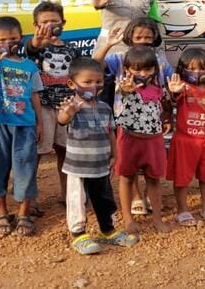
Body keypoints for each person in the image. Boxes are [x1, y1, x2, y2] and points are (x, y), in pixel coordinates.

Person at [57, 57, 138, 255]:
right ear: (71, 83)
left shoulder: (104, 107)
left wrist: (114, 154)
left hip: (101, 163)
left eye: (98, 82)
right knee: (77, 199)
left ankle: (108, 230)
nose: (94, 86)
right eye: (87, 82)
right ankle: (79, 234)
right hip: (78, 166)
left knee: (105, 198)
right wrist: (68, 113)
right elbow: (61, 120)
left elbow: (111, 132)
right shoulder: (71, 106)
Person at [93, 16, 173, 215]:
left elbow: (168, 88)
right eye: (139, 36)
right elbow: (96, 65)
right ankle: (136, 196)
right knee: (129, 165)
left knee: (152, 163)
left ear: (155, 38)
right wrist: (108, 45)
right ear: (130, 37)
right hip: (126, 121)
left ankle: (149, 196)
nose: (143, 40)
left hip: (152, 123)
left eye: (148, 37)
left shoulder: (160, 61)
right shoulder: (120, 58)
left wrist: (167, 114)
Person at [0, 16, 43, 237]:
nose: (9, 43)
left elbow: (35, 95)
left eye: (14, 38)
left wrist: (38, 122)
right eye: (2, 39)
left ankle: (24, 213)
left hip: (25, 124)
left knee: (25, 167)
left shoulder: (29, 66)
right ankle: (1, 212)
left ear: (21, 38)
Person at [25, 1, 80, 215]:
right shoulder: (36, 47)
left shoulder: (72, 50)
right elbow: (30, 49)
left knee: (65, 152)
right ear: (35, 25)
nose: (49, 26)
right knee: (37, 152)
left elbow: (79, 76)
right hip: (44, 107)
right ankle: (30, 198)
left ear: (63, 23)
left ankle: (68, 196)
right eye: (44, 22)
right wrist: (37, 41)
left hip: (66, 107)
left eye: (54, 22)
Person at [114, 46, 173, 234]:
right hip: (129, 139)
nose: (142, 73)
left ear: (155, 69)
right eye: (137, 69)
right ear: (127, 70)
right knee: (126, 178)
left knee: (154, 179)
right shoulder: (123, 86)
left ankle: (157, 219)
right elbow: (122, 92)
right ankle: (128, 220)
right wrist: (126, 90)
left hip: (153, 140)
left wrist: (166, 118)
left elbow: (165, 103)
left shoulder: (158, 88)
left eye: (148, 69)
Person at [166, 48, 205, 227]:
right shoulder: (183, 89)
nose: (197, 72)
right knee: (182, 178)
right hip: (186, 141)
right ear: (182, 69)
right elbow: (173, 98)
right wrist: (174, 92)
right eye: (191, 68)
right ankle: (182, 210)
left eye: (202, 68)